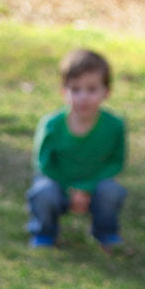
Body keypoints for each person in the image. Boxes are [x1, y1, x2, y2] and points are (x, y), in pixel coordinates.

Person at [26, 48, 128, 252]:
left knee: (112, 191)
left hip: (95, 186)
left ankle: (106, 233)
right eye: (75, 89)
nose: (83, 97)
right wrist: (70, 190)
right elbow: (43, 164)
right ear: (63, 92)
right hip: (57, 184)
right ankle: (44, 233)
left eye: (91, 89)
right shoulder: (51, 125)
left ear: (107, 92)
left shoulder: (115, 125)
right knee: (42, 192)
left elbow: (116, 163)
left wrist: (85, 188)